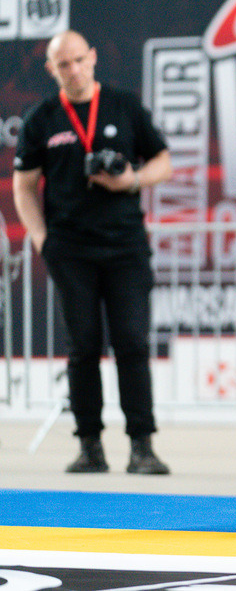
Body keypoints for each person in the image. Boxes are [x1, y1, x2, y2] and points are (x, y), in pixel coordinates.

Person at [12, 30, 173, 474]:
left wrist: (131, 181)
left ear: (93, 57)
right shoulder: (41, 118)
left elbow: (163, 161)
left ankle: (142, 445)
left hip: (125, 247)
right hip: (70, 250)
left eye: (80, 60)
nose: (74, 70)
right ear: (52, 69)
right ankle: (89, 446)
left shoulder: (124, 105)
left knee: (132, 343)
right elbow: (23, 187)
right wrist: (43, 240)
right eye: (64, 64)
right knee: (82, 346)